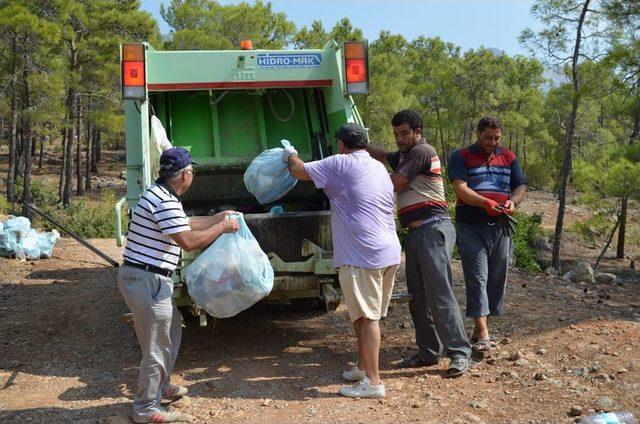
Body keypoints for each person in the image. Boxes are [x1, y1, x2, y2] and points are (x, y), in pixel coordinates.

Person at [118, 147, 239, 423]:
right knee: (156, 346)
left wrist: (219, 217)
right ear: (185, 175)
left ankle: (161, 387)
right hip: (147, 280)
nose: (192, 176)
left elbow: (185, 224)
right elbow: (189, 240)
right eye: (192, 172)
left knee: (171, 331)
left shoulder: (160, 194)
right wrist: (222, 228)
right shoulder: (165, 201)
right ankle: (145, 408)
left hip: (148, 278)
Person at [284, 123, 401, 398]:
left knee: (368, 318)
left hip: (363, 254)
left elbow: (297, 171)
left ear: (340, 144)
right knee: (365, 315)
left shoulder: (340, 162)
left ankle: (373, 383)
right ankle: (362, 367)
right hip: (388, 251)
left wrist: (290, 153)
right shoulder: (377, 167)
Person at [367, 109, 472, 378]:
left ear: (418, 131)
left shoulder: (421, 152)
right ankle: (428, 351)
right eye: (396, 135)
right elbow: (379, 154)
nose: (399, 139)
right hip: (416, 234)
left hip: (432, 229)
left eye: (404, 133)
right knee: (418, 298)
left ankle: (459, 353)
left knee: (439, 293)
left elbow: (397, 182)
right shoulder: (404, 154)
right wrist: (358, 144)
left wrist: (360, 185)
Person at [447, 116, 526, 353]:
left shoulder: (509, 157)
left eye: (496, 138)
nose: (492, 142)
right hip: (471, 225)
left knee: (496, 277)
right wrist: (485, 203)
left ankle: (480, 326)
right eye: (488, 137)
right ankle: (484, 334)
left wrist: (513, 202)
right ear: (478, 134)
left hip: (501, 225)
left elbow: (520, 186)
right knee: (477, 276)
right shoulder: (460, 156)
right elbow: (460, 188)